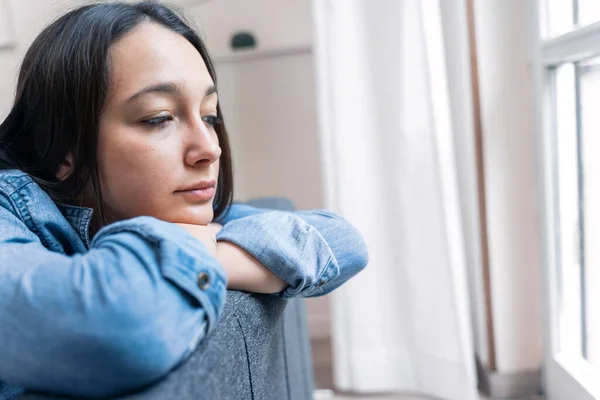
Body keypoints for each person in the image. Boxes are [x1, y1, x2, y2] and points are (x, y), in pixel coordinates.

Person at [0, 1, 368, 399]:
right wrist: (195, 247)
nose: (209, 149)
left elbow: (342, 241)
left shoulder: (174, 217)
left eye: (210, 116)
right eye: (158, 118)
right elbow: (114, 326)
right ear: (60, 150)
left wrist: (207, 252)